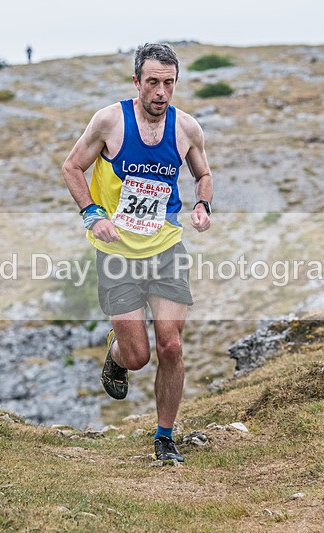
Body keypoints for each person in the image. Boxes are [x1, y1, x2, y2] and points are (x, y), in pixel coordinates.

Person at [63, 43, 213, 463]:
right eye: (153, 83)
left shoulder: (187, 129)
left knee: (171, 346)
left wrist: (203, 204)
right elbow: (72, 167)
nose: (161, 93)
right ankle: (117, 353)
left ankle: (165, 437)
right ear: (136, 82)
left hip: (166, 247)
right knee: (139, 356)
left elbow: (204, 173)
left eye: (169, 83)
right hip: (118, 253)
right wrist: (93, 213)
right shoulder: (110, 121)